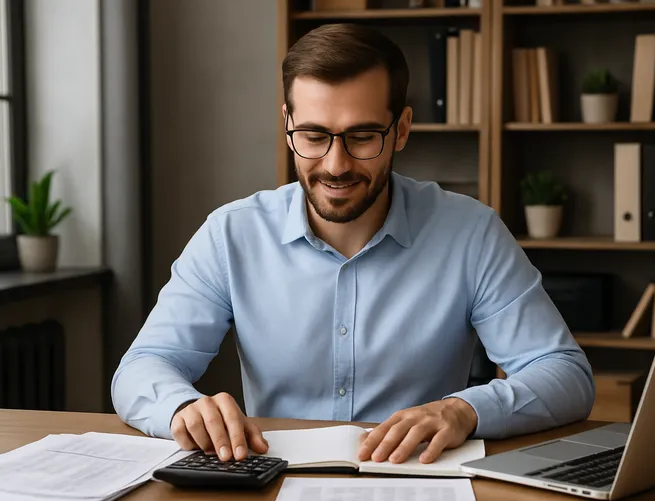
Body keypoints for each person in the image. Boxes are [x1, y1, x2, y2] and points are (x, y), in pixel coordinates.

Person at [112, 23, 595, 466]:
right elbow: (143, 367)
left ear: (401, 129)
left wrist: (464, 410)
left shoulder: (471, 233)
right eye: (314, 135)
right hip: (272, 484)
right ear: (287, 124)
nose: (336, 164)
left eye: (363, 136)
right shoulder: (231, 234)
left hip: (417, 483)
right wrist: (183, 406)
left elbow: (565, 374)